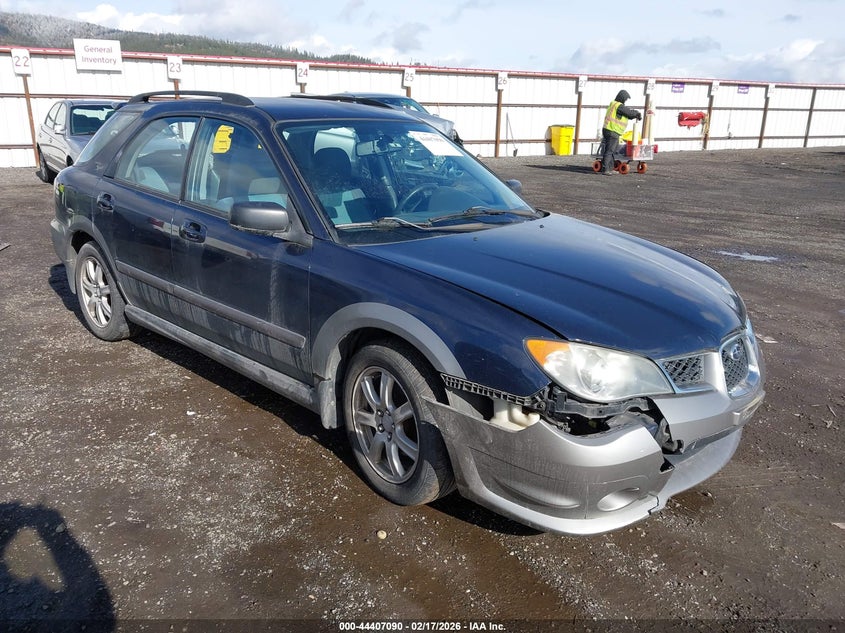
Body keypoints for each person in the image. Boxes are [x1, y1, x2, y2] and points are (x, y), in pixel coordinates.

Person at [601, 90, 642, 175]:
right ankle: (605, 169)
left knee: (612, 150)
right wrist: (637, 113)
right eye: (625, 99)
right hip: (612, 130)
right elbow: (629, 113)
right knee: (610, 150)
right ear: (622, 98)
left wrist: (635, 115)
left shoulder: (614, 105)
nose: (625, 101)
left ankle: (610, 168)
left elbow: (628, 115)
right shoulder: (618, 106)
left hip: (609, 130)